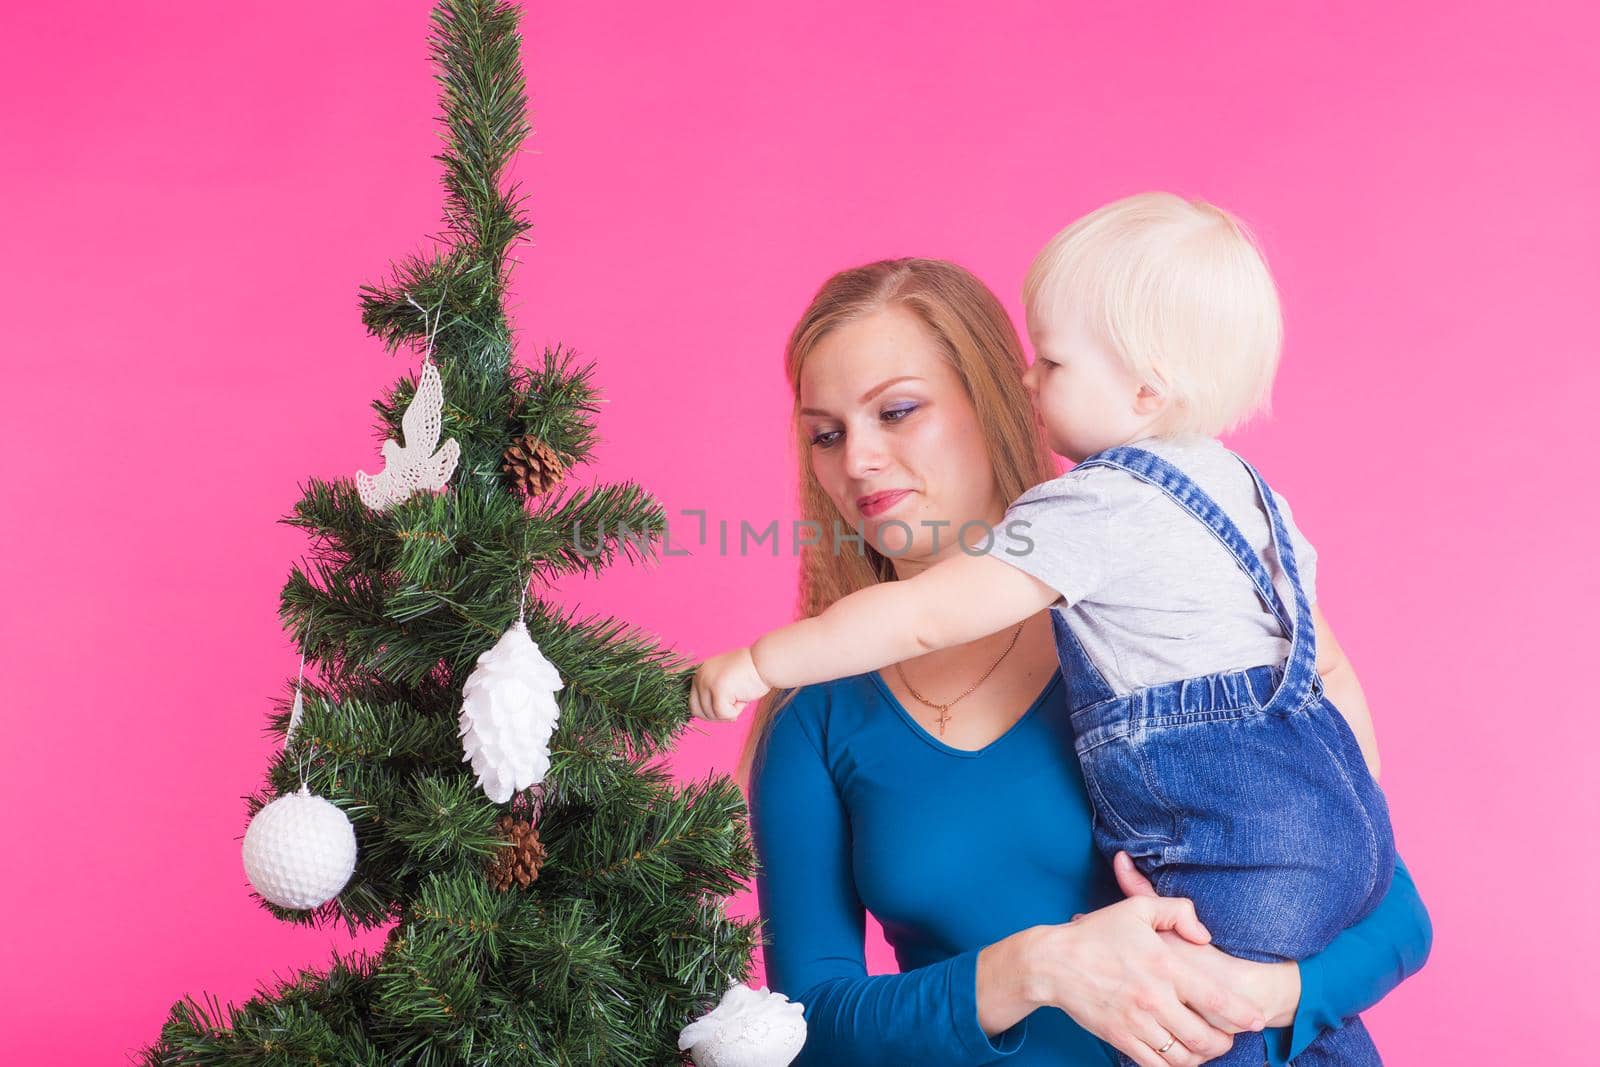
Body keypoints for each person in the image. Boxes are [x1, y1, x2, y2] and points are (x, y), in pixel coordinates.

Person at [700, 254, 1430, 1064]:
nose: (858, 459)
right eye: (826, 434)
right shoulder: (813, 712)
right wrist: (1031, 969)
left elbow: (1391, 908)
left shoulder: (1160, 625)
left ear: (1000, 397)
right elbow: (808, 1022)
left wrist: (1270, 995)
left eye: (898, 411)